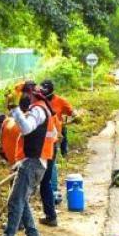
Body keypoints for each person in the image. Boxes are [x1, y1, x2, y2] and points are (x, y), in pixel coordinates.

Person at [0, 82, 49, 236]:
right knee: (22, 200)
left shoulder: (37, 110)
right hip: (32, 162)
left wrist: (14, 109)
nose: (22, 98)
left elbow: (27, 129)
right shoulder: (37, 109)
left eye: (22, 94)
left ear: (30, 94)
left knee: (15, 201)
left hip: (31, 163)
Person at [38, 80, 74, 226]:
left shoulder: (43, 110)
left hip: (46, 149)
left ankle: (50, 210)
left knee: (45, 180)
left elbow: (71, 112)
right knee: (44, 181)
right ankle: (50, 214)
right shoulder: (43, 110)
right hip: (45, 148)